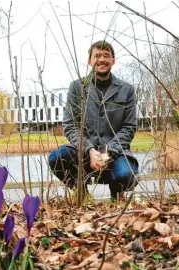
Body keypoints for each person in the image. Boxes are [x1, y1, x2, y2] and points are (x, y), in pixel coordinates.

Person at [49, 40, 138, 201]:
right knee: (57, 157)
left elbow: (129, 127)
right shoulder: (77, 88)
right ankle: (81, 192)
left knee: (126, 173)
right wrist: (89, 149)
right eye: (97, 55)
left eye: (106, 55)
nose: (102, 59)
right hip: (83, 153)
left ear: (113, 60)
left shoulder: (127, 90)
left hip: (116, 153)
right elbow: (70, 125)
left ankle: (117, 195)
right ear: (90, 61)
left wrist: (109, 151)